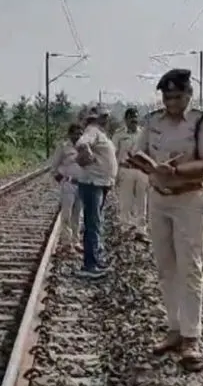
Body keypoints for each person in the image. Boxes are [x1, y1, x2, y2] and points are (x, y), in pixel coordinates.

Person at [133, 68, 203, 370]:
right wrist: (145, 164)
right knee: (165, 267)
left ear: (188, 95)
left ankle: (191, 337)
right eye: (166, 96)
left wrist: (177, 171)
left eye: (177, 96)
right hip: (159, 198)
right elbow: (139, 151)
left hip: (190, 197)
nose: (171, 101)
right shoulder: (152, 121)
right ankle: (173, 328)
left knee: (190, 267)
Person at [74, 109, 118, 278]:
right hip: (93, 183)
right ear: (95, 118)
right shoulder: (92, 131)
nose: (106, 119)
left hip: (99, 183)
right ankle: (89, 265)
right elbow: (82, 143)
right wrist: (89, 155)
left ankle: (95, 260)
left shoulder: (99, 133)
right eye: (103, 116)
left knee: (96, 223)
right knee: (93, 224)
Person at [113, 107, 149, 242]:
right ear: (126, 119)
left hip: (141, 171)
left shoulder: (143, 134)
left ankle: (141, 230)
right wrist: (114, 174)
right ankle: (125, 227)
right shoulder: (119, 135)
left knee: (142, 201)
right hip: (126, 170)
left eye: (136, 117)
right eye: (131, 117)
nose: (134, 120)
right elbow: (114, 154)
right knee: (126, 201)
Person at [50, 123, 83, 253]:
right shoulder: (63, 147)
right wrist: (62, 180)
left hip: (81, 184)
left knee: (78, 214)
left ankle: (76, 241)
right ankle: (66, 242)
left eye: (80, 133)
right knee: (67, 214)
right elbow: (54, 167)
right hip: (68, 184)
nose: (78, 136)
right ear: (70, 134)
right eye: (75, 133)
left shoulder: (85, 147)